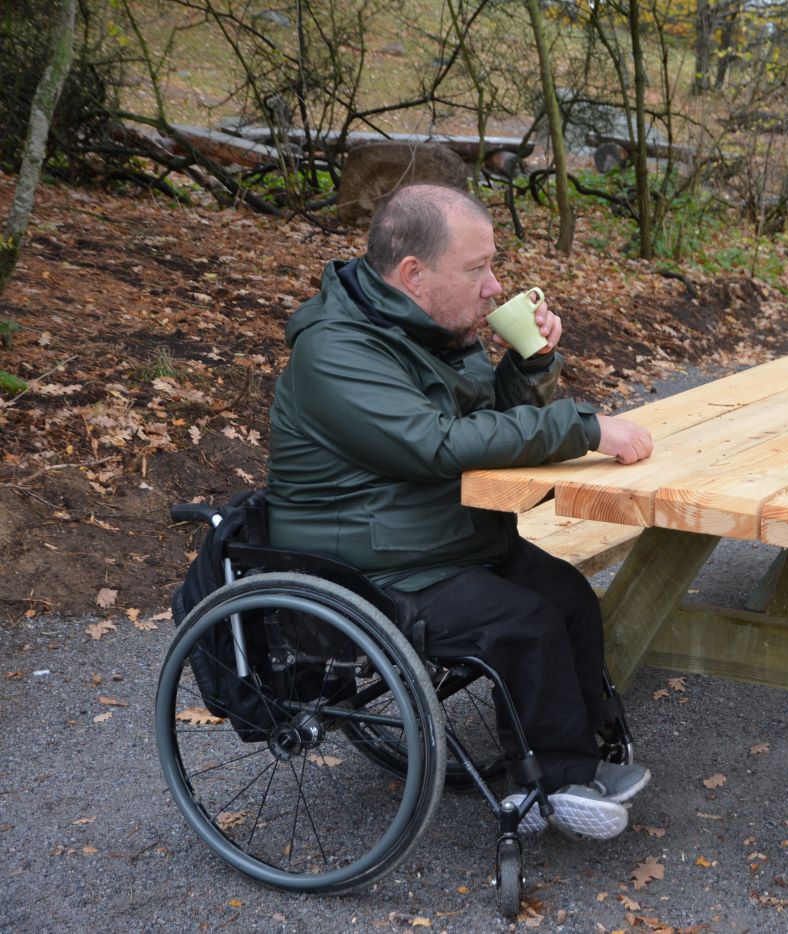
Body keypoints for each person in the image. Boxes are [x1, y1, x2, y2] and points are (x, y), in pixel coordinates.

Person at [264, 183, 654, 840]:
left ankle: (583, 753)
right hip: (365, 562)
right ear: (413, 275)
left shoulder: (430, 331)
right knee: (523, 622)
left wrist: (531, 364)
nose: (494, 286)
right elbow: (436, 445)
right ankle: (553, 788)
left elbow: (484, 425)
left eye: (492, 265)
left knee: (566, 596)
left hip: (434, 538)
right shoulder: (336, 352)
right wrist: (580, 428)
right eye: (477, 269)